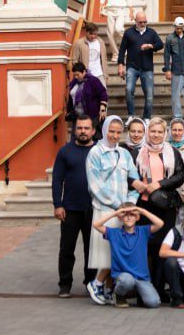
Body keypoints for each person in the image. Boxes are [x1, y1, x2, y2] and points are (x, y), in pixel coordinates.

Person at [85, 116, 137, 305]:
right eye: (111, 131)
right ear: (104, 130)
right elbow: (95, 186)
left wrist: (130, 204)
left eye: (118, 132)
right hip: (105, 210)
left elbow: (134, 180)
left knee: (116, 253)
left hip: (123, 212)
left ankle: (108, 288)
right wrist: (119, 206)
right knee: (107, 253)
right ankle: (96, 283)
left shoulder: (124, 154)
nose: (114, 135)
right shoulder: (95, 153)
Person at [134, 116, 184, 288]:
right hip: (144, 206)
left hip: (165, 206)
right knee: (145, 247)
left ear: (165, 133)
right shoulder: (138, 152)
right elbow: (129, 175)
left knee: (162, 246)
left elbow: (180, 176)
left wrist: (159, 184)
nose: (156, 135)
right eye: (153, 131)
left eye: (159, 132)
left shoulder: (173, 152)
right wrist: (136, 182)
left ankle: (159, 287)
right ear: (147, 132)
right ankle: (143, 288)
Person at [53, 114, 97, 298]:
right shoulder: (65, 152)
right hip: (70, 209)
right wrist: (58, 204)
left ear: (93, 131)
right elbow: (57, 180)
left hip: (93, 208)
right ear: (74, 130)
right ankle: (65, 284)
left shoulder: (99, 150)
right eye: (80, 128)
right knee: (66, 249)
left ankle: (91, 283)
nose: (83, 131)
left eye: (86, 128)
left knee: (91, 249)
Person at [93, 202, 164, 308]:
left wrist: (142, 211)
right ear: (120, 218)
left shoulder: (143, 231)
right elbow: (96, 225)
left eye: (132, 215)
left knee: (154, 302)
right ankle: (118, 295)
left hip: (141, 277)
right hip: (124, 276)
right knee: (127, 280)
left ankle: (135, 293)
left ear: (137, 217)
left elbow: (160, 223)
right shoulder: (114, 233)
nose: (129, 217)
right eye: (125, 215)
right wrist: (116, 213)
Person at [117, 10, 163, 119]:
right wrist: (120, 65)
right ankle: (131, 115)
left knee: (149, 95)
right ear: (135, 21)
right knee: (129, 90)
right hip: (132, 67)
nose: (143, 24)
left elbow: (160, 44)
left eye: (145, 22)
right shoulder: (128, 33)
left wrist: (151, 46)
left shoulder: (151, 32)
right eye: (140, 22)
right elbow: (122, 50)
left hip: (147, 68)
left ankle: (146, 118)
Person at [65, 63, 107, 139]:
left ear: (84, 72)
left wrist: (103, 107)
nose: (76, 77)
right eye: (74, 75)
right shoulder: (74, 83)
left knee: (92, 138)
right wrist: (69, 110)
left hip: (91, 115)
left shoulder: (93, 81)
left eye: (78, 75)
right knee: (75, 138)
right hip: (77, 116)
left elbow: (102, 93)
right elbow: (71, 98)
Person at [72, 22, 109, 88]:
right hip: (86, 76)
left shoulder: (100, 42)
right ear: (86, 32)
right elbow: (74, 61)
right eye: (91, 34)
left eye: (95, 34)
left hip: (100, 74)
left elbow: (104, 59)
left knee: (103, 94)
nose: (93, 36)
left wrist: (106, 75)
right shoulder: (79, 43)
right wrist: (80, 74)